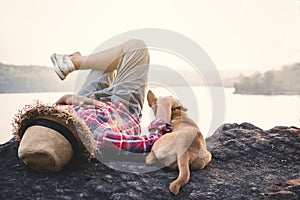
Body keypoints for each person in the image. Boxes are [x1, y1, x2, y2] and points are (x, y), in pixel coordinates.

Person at [50, 39, 172, 157]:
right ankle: (73, 61)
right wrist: (163, 106)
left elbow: (45, 110)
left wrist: (65, 99)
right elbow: (153, 142)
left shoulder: (52, 123)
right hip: (121, 106)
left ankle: (72, 61)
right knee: (136, 47)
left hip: (84, 100)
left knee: (105, 60)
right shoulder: (102, 137)